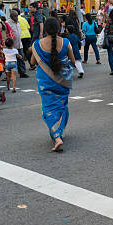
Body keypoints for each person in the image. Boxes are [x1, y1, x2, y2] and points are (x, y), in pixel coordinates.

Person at [30, 17, 76, 152]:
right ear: (59, 28)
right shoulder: (66, 43)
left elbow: (32, 63)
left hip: (45, 83)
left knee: (48, 109)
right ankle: (59, 131)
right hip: (62, 82)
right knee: (62, 106)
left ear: (46, 30)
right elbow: (73, 61)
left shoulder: (36, 44)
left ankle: (56, 136)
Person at [7, 10, 28, 78]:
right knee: (11, 60)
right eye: (15, 16)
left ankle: (22, 72)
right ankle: (9, 74)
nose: (16, 17)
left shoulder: (18, 22)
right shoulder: (8, 23)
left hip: (19, 44)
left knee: (21, 58)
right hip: (12, 45)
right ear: (11, 16)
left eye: (17, 15)